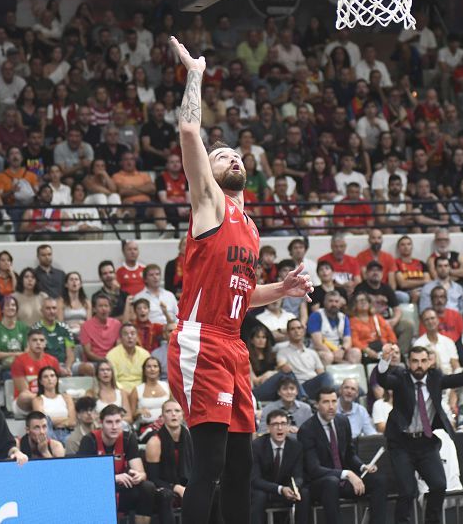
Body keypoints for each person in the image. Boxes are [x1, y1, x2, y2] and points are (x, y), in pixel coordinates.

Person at [167, 36, 314, 524]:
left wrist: (284, 290)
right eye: (223, 155)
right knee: (208, 464)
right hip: (201, 340)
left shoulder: (250, 228)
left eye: (238, 155)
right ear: (205, 174)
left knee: (239, 465)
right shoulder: (207, 204)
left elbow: (242, 294)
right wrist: (196, 74)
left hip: (233, 344)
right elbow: (190, 130)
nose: (235, 158)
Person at [376, 342, 463, 524]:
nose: (419, 365)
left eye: (423, 361)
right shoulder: (401, 378)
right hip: (402, 444)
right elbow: (383, 380)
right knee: (407, 491)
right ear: (408, 363)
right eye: (415, 361)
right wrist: (384, 360)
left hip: (426, 442)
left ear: (429, 362)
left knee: (439, 485)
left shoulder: (435, 378)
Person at [297, 386, 388, 524]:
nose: (331, 406)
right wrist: (347, 474)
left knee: (379, 481)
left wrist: (363, 467)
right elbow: (314, 469)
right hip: (320, 483)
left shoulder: (342, 421)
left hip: (343, 481)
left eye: (334, 401)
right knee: (331, 482)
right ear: (316, 405)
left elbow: (350, 454)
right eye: (326, 402)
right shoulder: (307, 429)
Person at [77, 404, 161, 523]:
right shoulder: (89, 440)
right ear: (101, 423)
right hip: (98, 491)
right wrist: (113, 478)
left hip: (121, 489)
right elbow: (82, 478)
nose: (114, 427)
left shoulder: (128, 438)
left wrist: (138, 476)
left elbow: (141, 473)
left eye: (117, 421)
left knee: (147, 487)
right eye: (109, 422)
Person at [251, 408, 310, 524]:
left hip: (286, 489)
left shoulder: (296, 447)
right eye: (275, 424)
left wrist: (294, 488)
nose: (279, 428)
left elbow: (298, 475)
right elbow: (255, 480)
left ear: (288, 427)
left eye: (283, 424)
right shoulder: (257, 446)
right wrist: (280, 489)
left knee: (304, 493)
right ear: (268, 428)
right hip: (264, 489)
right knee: (259, 496)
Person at [144, 400, 194, 517]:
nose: (173, 414)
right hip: (163, 486)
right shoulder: (154, 442)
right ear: (162, 417)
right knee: (166, 495)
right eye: (168, 411)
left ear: (183, 414)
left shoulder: (191, 438)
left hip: (188, 482)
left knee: (214, 491)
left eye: (177, 411)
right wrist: (176, 487)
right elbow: (153, 478)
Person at [10, 329, 60, 415]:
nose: (38, 343)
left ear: (45, 343)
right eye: (34, 340)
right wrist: (44, 399)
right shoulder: (19, 361)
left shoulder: (53, 361)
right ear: (28, 343)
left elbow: (55, 385)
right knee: (24, 397)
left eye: (41, 340)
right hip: (25, 404)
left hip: (47, 399)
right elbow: (24, 390)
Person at [106, 323, 149, 393]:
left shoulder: (145, 354)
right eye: (126, 334)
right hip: (120, 391)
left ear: (137, 337)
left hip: (142, 391)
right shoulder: (111, 355)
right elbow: (113, 380)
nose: (129, 337)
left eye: (133, 334)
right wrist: (124, 393)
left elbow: (148, 378)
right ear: (120, 338)